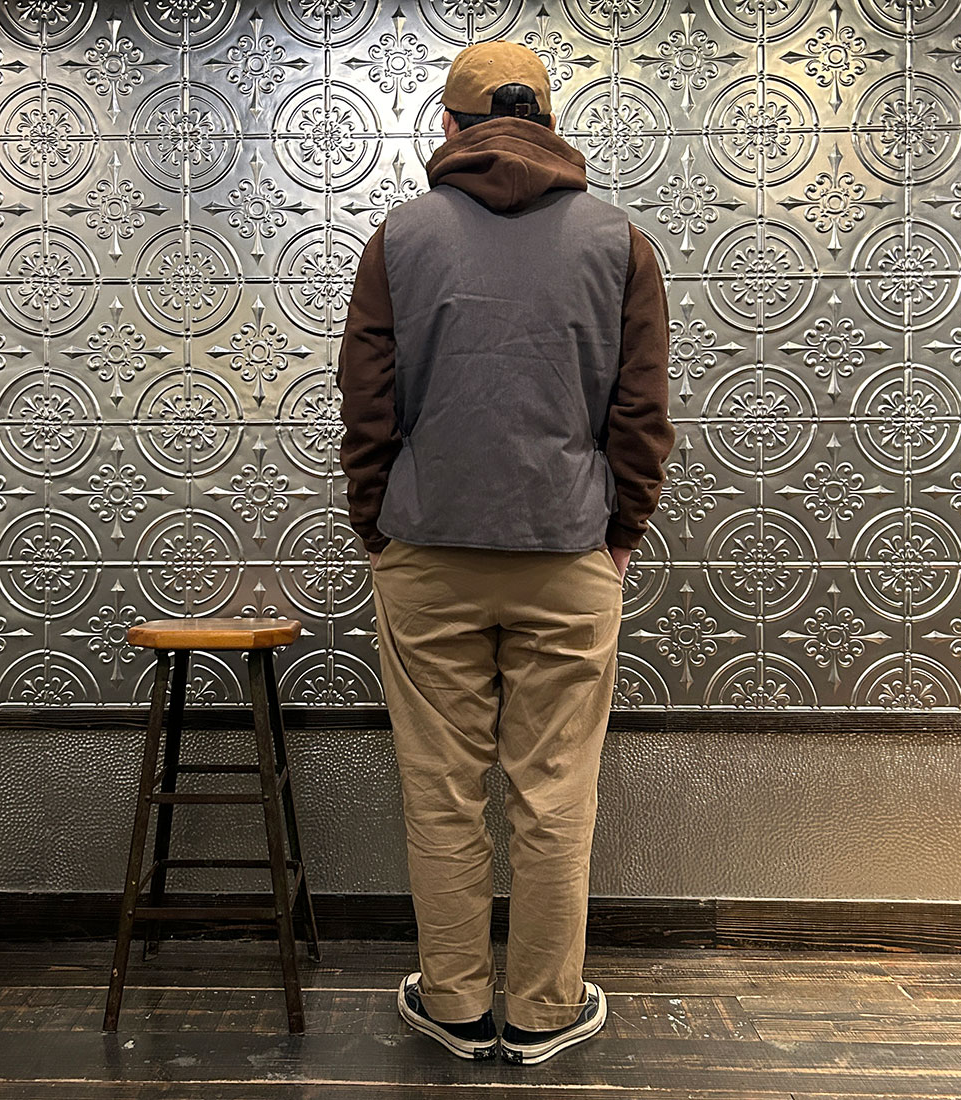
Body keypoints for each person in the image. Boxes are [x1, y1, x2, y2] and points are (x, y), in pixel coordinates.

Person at [335, 40, 675, 1066]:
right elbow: (640, 415)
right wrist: (620, 535)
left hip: (426, 549)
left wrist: (376, 525)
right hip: (568, 552)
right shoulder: (621, 243)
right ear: (549, 124)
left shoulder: (398, 237)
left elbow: (366, 404)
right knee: (554, 790)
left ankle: (452, 1002)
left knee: (439, 789)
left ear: (449, 127)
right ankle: (540, 1010)